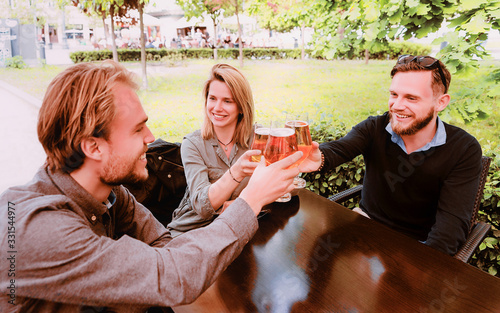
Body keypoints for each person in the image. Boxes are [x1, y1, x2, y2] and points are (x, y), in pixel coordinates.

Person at [0, 61, 302, 313]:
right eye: (137, 128)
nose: (151, 136)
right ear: (93, 147)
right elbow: (172, 275)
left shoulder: (112, 194)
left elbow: (166, 248)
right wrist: (251, 200)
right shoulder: (36, 227)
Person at [300, 55, 482, 256]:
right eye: (394, 94)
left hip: (419, 248)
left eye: (411, 98)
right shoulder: (375, 127)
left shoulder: (463, 149)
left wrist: (420, 269)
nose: (396, 105)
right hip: (367, 230)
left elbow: (450, 231)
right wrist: (319, 158)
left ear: (440, 102)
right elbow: (339, 149)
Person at [167, 63, 260, 238]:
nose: (217, 108)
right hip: (191, 232)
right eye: (212, 98)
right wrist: (237, 172)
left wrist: (241, 205)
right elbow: (203, 208)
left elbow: (283, 186)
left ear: (241, 107)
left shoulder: (258, 138)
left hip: (237, 229)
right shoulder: (193, 144)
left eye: (227, 101)